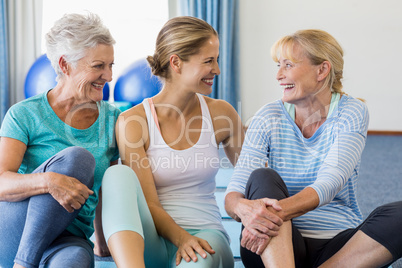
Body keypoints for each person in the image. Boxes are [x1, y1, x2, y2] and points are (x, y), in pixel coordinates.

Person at [224, 29, 402, 268]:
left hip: (338, 247)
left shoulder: (351, 112)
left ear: (322, 70)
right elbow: (235, 191)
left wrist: (268, 214)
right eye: (278, 65)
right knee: (262, 177)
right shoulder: (267, 116)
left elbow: (328, 184)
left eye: (288, 65)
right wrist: (244, 210)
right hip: (270, 247)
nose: (278, 75)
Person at [101, 16, 244, 268]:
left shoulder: (222, 114)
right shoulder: (133, 122)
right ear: (176, 62)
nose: (217, 70)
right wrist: (181, 238)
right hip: (151, 241)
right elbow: (150, 202)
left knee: (199, 262)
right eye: (209, 61)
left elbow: (252, 176)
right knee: (117, 175)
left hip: (205, 237)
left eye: (217, 60)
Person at [0, 12, 120, 268]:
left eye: (111, 65)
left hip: (68, 239)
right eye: (98, 66)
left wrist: (101, 242)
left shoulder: (114, 120)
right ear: (65, 65)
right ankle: (24, 264)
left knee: (75, 261)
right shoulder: (25, 114)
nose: (108, 76)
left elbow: (108, 187)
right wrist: (49, 181)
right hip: (16, 232)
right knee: (78, 159)